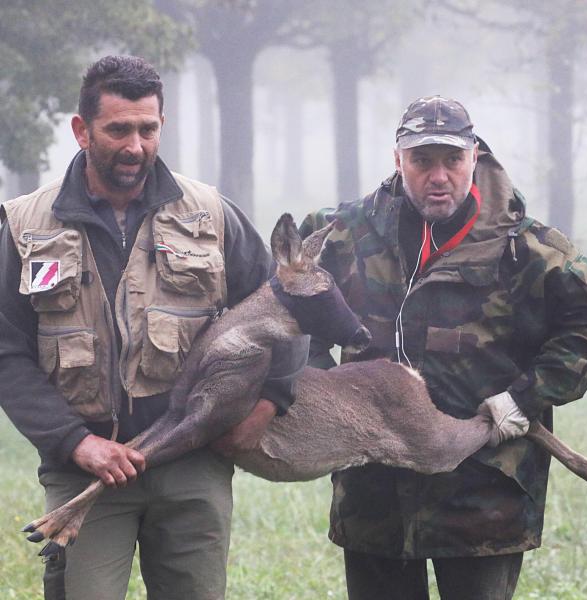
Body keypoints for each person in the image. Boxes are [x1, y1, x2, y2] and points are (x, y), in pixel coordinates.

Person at [0, 55, 306, 600]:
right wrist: (75, 442)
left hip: (193, 464)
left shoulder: (210, 213)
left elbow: (285, 306)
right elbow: (6, 351)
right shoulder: (26, 225)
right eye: (118, 129)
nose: (135, 146)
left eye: (148, 129)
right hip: (86, 473)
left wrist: (266, 406)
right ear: (81, 130)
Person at [300, 95, 587, 599]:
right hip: (375, 488)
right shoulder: (342, 236)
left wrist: (524, 399)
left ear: (474, 158)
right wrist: (317, 383)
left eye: (452, 160)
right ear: (398, 160)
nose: (438, 176)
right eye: (422, 160)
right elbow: (290, 303)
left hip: (485, 491)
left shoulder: (524, 248)